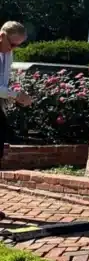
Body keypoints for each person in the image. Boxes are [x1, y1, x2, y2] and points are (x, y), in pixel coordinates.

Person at [0, 21, 32, 221]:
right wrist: (16, 95)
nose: (14, 48)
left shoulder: (7, 54)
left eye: (18, 45)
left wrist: (15, 93)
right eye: (13, 44)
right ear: (2, 35)